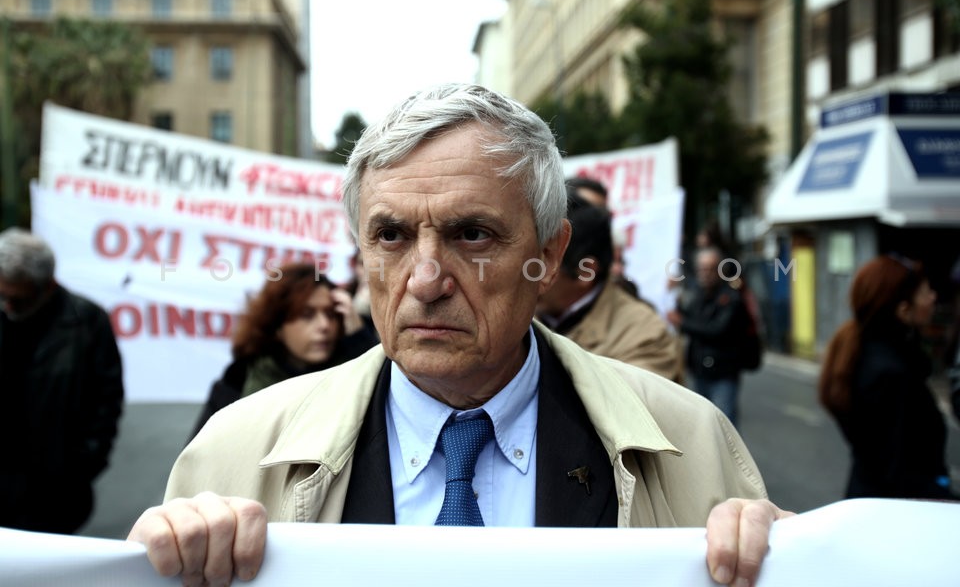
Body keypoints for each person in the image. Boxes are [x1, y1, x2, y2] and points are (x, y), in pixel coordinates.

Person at [127, 84, 791, 586]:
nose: (424, 279)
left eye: (471, 234)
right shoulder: (234, 456)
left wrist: (793, 563)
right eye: (390, 235)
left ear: (550, 254)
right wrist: (150, 567)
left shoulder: (691, 443)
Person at [0, 227, 124, 533]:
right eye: (2, 295)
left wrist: (80, 468)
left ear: (48, 286)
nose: (8, 306)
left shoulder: (86, 322)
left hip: (54, 492)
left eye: (19, 298)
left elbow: (106, 401)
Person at [819, 255, 958, 500]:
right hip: (895, 516)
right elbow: (898, 473)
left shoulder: (863, 353)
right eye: (925, 292)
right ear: (904, 310)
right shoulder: (891, 374)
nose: (934, 297)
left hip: (870, 500)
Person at [190, 262, 379, 438]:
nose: (324, 325)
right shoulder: (238, 380)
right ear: (278, 324)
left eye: (331, 314)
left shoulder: (352, 376)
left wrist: (359, 336)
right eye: (307, 315)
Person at [537, 190, 682, 382]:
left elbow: (625, 408)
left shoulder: (645, 337)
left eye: (537, 268)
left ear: (585, 272)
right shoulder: (514, 320)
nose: (521, 277)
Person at [667, 246, 750, 426]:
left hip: (723, 374)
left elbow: (716, 330)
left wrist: (681, 322)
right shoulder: (698, 295)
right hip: (699, 371)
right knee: (704, 426)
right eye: (702, 269)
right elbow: (686, 316)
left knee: (724, 426)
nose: (705, 273)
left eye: (710, 268)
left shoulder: (731, 298)